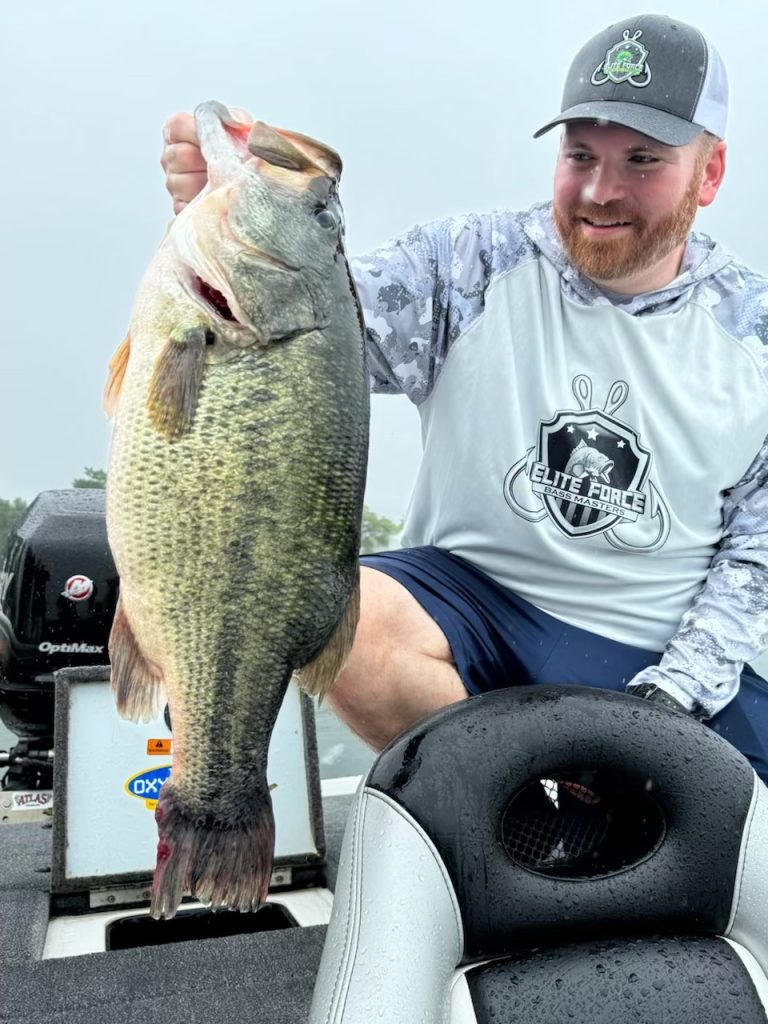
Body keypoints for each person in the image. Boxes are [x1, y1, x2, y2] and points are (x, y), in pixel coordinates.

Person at [161, 13, 768, 782]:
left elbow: (755, 562)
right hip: (467, 617)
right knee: (342, 615)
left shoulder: (755, 337)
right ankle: (515, 815)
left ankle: (572, 799)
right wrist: (238, 226)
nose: (600, 190)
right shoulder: (467, 266)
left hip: (653, 646)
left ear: (709, 174)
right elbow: (297, 336)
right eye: (580, 155)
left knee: (736, 816)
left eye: (642, 160)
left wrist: (666, 707)